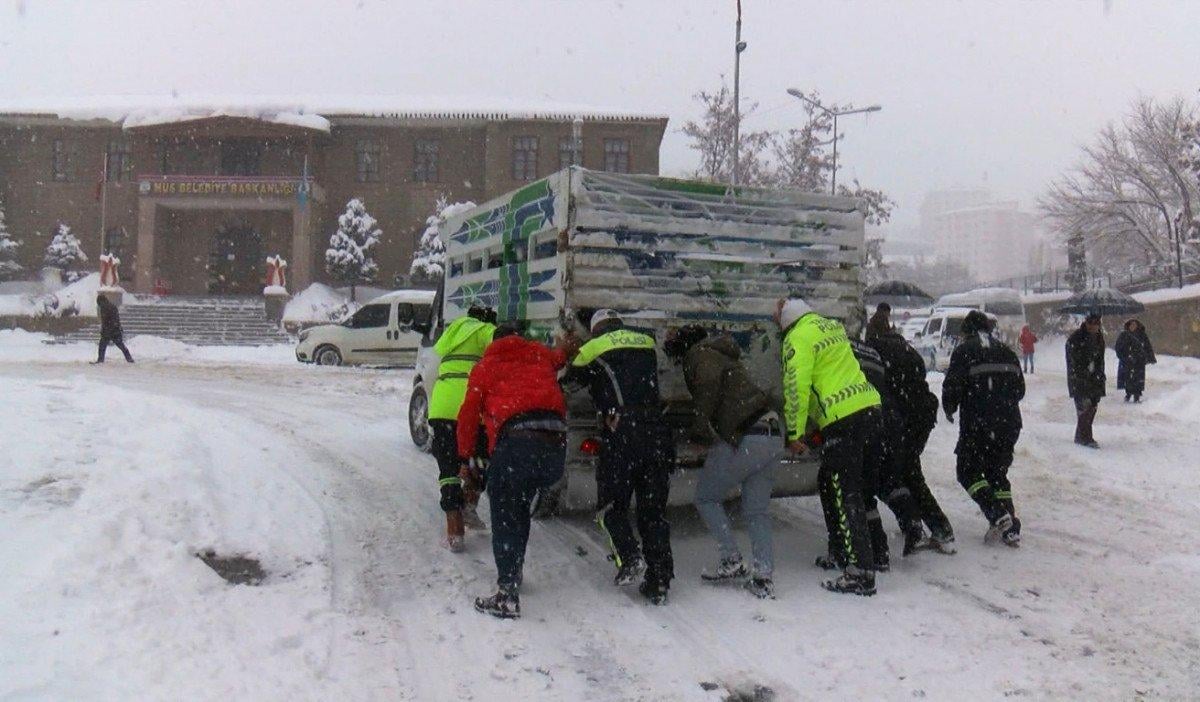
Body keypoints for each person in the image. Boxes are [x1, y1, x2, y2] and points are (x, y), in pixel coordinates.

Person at [457, 323, 569, 619]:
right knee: (519, 506)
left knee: (505, 511)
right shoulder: (540, 355)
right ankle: (514, 572)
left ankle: (507, 593)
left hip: (518, 442)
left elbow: (468, 414)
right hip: (555, 444)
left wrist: (465, 456)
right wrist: (568, 344)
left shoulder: (486, 366)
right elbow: (563, 356)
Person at [563, 309, 674, 605]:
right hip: (658, 432)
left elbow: (568, 381)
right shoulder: (646, 341)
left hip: (622, 431)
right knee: (653, 511)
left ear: (596, 329)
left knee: (610, 507)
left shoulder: (592, 348)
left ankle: (629, 557)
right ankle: (660, 580)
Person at [664, 325, 782, 599]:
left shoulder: (700, 354)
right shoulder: (725, 355)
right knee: (757, 511)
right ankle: (763, 576)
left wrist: (699, 431)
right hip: (772, 431)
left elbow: (707, 387)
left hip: (746, 434)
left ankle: (731, 558)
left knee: (706, 497)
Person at [777, 297, 882, 596]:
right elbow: (830, 376)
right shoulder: (831, 328)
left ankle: (860, 571)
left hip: (843, 419)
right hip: (869, 410)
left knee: (843, 491)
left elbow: (796, 385)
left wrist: (795, 433)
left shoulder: (798, 337)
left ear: (787, 322)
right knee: (832, 483)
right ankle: (841, 552)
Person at [864, 326, 956, 557]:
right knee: (907, 472)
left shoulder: (875, 350)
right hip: (921, 413)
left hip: (899, 417)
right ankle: (919, 526)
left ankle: (938, 528)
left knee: (899, 475)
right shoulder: (909, 351)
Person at [942, 310, 1025, 547]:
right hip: (1008, 424)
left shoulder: (965, 351)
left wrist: (949, 407)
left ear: (967, 331)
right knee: (997, 473)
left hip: (979, 424)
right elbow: (1020, 390)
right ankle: (1010, 527)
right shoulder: (1007, 352)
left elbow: (953, 386)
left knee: (967, 471)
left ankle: (997, 514)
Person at [428, 305, 497, 552]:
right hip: (468, 406)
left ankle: (454, 530)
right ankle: (469, 506)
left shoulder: (451, 331)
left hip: (441, 405)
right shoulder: (484, 330)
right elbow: (500, 344)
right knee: (479, 459)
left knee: (448, 466)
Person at [1066, 313, 1106, 448]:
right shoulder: (1076, 338)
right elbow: (1073, 360)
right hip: (1080, 380)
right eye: (1091, 323)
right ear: (1086, 323)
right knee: (1084, 408)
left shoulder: (1099, 338)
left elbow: (1101, 360)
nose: (1093, 326)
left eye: (1096, 323)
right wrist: (1084, 369)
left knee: (1092, 408)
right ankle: (1086, 437)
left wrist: (1099, 374)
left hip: (1096, 379)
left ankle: (1080, 435)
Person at [1115, 319, 1156, 402]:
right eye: (1131, 324)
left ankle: (1137, 395)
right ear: (1128, 325)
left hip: (1139, 360)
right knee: (1128, 378)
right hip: (1128, 360)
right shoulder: (1124, 335)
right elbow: (1118, 346)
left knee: (1138, 378)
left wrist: (1150, 357)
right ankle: (1128, 393)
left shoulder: (1142, 335)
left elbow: (1147, 346)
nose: (1133, 326)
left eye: (1135, 324)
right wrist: (1123, 356)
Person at [92, 294, 134, 364]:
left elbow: (105, 320)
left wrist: (104, 330)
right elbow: (116, 318)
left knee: (102, 345)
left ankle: (100, 360)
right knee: (121, 345)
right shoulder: (112, 306)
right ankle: (129, 358)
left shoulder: (104, 307)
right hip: (115, 329)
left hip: (108, 330)